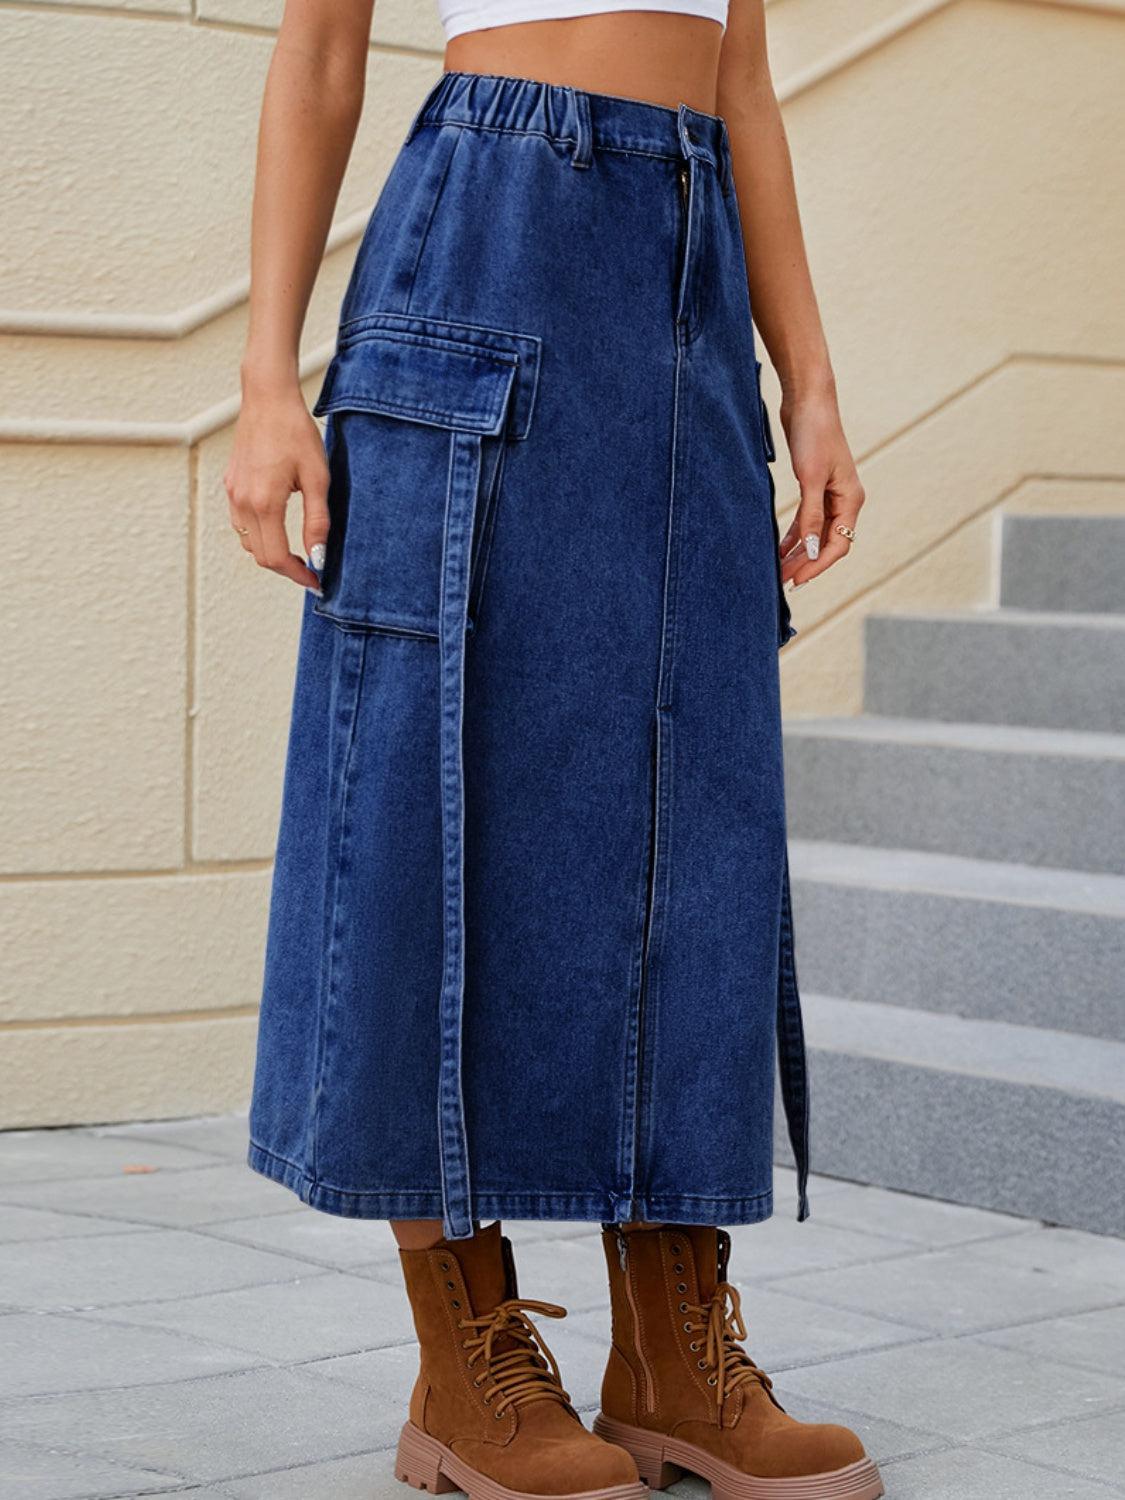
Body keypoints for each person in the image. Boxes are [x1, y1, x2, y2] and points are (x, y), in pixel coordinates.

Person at [228, 2, 876, 1497]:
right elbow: (320, 53)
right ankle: (467, 1360)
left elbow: (748, 93)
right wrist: (269, 382)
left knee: (687, 816)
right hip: (485, 237)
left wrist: (811, 379)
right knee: (428, 793)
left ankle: (670, 1354)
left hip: (685, 280)